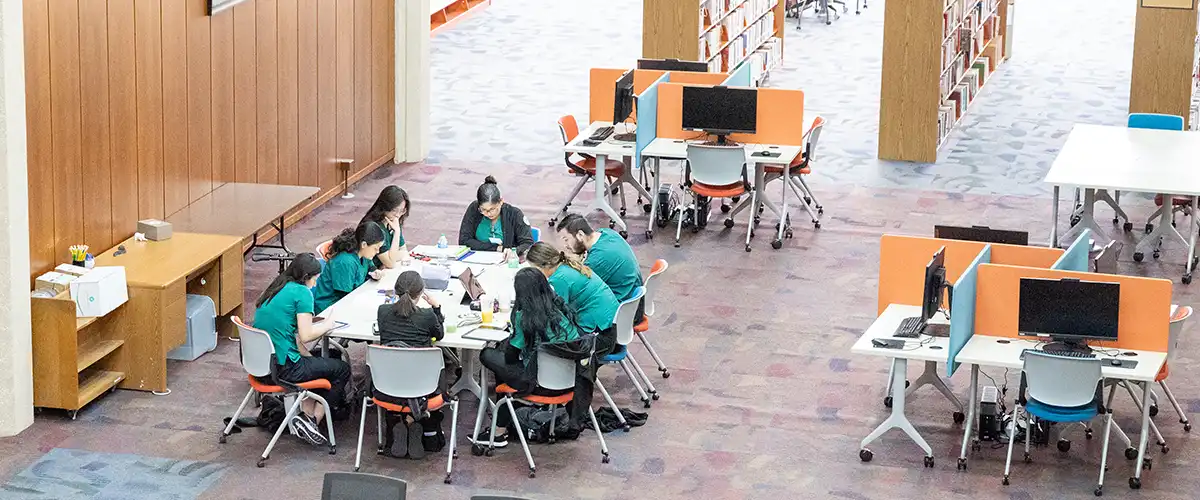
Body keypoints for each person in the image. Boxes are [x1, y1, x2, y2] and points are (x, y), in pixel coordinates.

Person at [473, 267, 581, 447]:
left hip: (540, 383)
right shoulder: (561, 309)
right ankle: (503, 419)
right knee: (505, 362)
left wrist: (509, 340)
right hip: (571, 380)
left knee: (488, 355)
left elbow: (511, 357)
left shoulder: (526, 318)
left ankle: (499, 428)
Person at [252, 253, 350, 446]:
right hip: (285, 368)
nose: (315, 284)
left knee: (329, 357)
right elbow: (306, 335)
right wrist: (329, 324)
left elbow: (286, 333)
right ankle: (312, 421)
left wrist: (306, 355)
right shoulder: (302, 293)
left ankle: (305, 414)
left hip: (262, 364)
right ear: (306, 277)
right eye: (314, 279)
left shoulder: (275, 289)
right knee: (341, 369)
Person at [524, 241, 618, 428]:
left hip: (598, 336)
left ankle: (542, 385)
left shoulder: (559, 280)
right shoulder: (565, 267)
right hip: (608, 326)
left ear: (544, 267)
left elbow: (553, 316)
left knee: (542, 342)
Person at [374, 270, 453, 460]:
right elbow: (439, 334)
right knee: (440, 369)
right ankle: (413, 421)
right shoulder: (426, 316)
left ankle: (404, 423)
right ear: (421, 293)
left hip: (387, 383)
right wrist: (436, 308)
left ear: (395, 291)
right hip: (423, 387)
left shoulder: (383, 311)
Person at [555, 213, 644, 323]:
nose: (565, 245)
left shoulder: (598, 259)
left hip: (622, 312)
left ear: (580, 235)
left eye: (566, 239)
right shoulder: (607, 233)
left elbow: (575, 290)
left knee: (564, 313)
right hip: (631, 300)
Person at [312, 222, 385, 314]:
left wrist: (375, 272)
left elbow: (370, 266)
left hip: (349, 300)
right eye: (376, 248)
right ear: (364, 244)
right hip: (329, 308)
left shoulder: (363, 254)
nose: (378, 252)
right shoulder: (345, 262)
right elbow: (345, 297)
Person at [458, 176, 535, 258]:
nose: (488, 214)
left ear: (501, 201)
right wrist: (496, 248)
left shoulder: (514, 214)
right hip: (478, 259)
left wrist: (514, 251)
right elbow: (464, 241)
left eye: (493, 209)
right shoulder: (474, 209)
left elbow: (528, 243)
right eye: (483, 210)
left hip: (506, 261)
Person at [360, 185, 412, 269]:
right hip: (368, 275)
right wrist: (397, 233)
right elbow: (390, 263)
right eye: (394, 210)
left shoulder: (393, 221)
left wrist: (392, 257)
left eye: (402, 210)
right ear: (385, 207)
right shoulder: (374, 227)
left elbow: (404, 251)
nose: (398, 215)